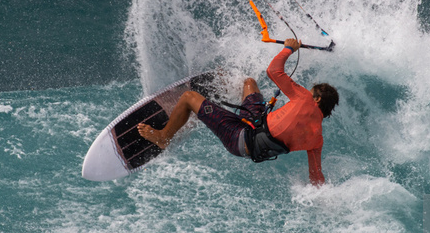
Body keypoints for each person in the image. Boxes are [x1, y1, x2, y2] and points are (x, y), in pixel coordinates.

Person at [138, 38, 339, 186]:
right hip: (253, 127)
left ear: (317, 99)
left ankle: (163, 136)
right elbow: (316, 176)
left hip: (239, 137)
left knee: (188, 97)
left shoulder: (306, 98)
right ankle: (206, 111)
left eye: (312, 92)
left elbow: (273, 70)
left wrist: (288, 48)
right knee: (249, 83)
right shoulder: (317, 140)